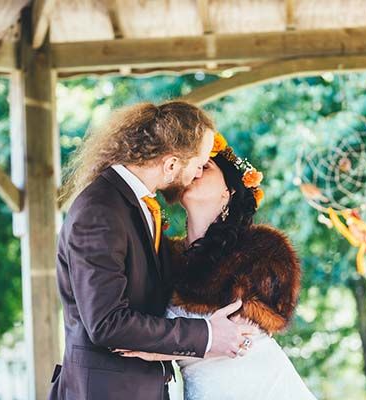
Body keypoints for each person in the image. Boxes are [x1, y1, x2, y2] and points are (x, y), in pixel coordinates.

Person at [48, 102, 259, 400]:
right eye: (199, 164)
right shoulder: (101, 210)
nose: (198, 172)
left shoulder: (138, 206)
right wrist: (207, 335)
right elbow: (107, 323)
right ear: (171, 164)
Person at [115, 133, 317, 399]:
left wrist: (153, 351)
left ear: (228, 191)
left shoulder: (261, 251)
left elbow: (239, 337)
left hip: (265, 387)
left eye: (206, 166)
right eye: (192, 166)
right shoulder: (163, 257)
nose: (195, 171)